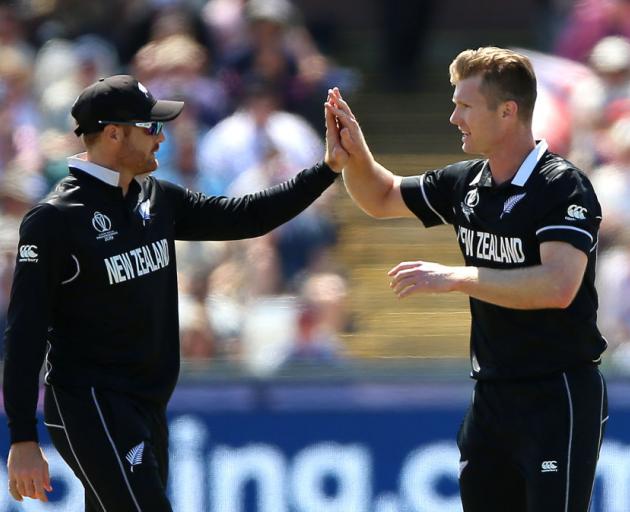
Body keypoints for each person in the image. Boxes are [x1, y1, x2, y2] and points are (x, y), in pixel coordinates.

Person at [3, 74, 345, 510]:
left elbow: (245, 217)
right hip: (90, 401)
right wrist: (22, 437)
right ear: (112, 134)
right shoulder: (54, 219)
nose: (161, 139)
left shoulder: (155, 197)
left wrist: (327, 168)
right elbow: (25, 331)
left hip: (146, 401)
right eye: (150, 129)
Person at [325, 47, 608, 511]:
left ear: (508, 111)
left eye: (465, 105)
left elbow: (558, 287)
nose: (454, 117)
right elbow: (380, 196)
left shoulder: (561, 185)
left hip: (557, 393)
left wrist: (459, 277)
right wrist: (354, 154)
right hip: (492, 396)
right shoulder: (466, 183)